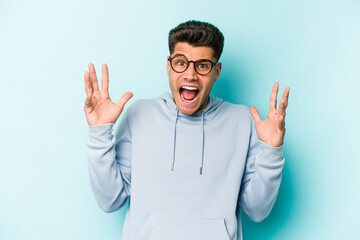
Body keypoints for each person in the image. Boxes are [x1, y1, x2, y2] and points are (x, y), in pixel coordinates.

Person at [84, 20, 290, 240]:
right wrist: (99, 133)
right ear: (168, 65)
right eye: (181, 63)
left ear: (217, 71)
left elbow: (257, 211)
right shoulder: (140, 114)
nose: (190, 75)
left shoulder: (242, 121)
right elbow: (110, 200)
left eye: (202, 65)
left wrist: (271, 152)